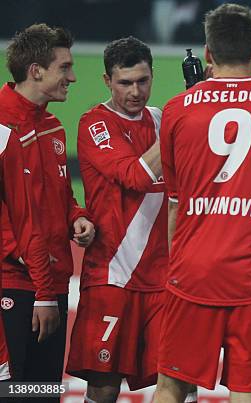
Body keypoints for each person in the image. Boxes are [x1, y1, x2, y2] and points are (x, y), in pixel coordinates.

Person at [153, 4, 251, 403]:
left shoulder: (175, 109)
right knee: (249, 390)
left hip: (192, 272)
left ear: (208, 54)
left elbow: (176, 196)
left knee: (171, 386)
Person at [65, 36, 173, 403]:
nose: (136, 91)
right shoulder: (96, 123)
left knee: (175, 381)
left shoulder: (161, 119)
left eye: (143, 80)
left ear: (152, 76)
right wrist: (178, 125)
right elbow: (136, 176)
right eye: (125, 82)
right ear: (107, 81)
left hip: (163, 280)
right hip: (113, 275)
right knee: (104, 387)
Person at [0, 23, 95, 399]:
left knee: (41, 394)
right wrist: (39, 292)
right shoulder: (2, 126)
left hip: (50, 285)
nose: (72, 77)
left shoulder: (53, 127)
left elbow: (57, 198)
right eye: (65, 67)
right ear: (36, 70)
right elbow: (13, 222)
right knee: (11, 393)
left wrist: (77, 217)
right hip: (14, 286)